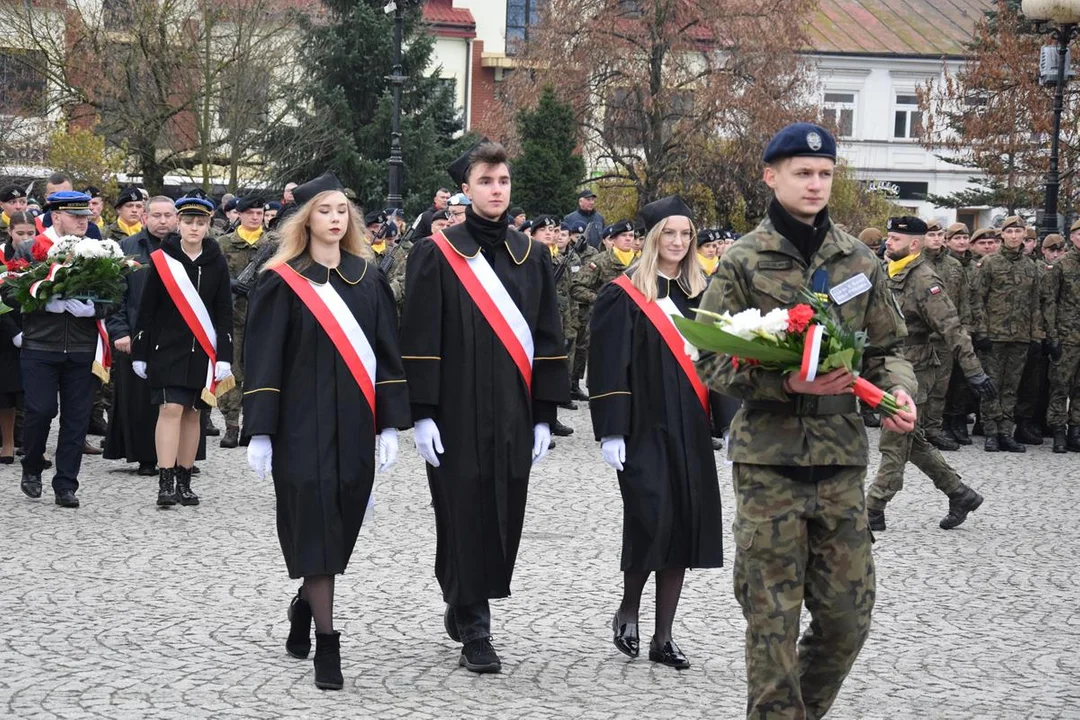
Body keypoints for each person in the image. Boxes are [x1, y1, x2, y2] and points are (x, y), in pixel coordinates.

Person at [694, 123, 917, 719]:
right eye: (803, 172)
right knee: (772, 620)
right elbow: (711, 355)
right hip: (769, 464)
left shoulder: (859, 258)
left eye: (824, 173)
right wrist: (781, 381)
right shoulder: (743, 260)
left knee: (847, 619)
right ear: (772, 177)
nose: (816, 183)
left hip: (841, 463)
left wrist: (897, 391)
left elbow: (889, 347)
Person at [400, 140, 569, 674]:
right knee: (462, 508)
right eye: (486, 182)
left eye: (503, 182)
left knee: (503, 509)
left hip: (513, 410)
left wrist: (545, 411)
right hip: (454, 408)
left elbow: (548, 335)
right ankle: (476, 623)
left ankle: (464, 596)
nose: (497, 190)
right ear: (466, 190)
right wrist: (421, 411)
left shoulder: (533, 255)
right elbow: (419, 335)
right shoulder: (436, 252)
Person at [242, 172, 408, 690]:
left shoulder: (370, 276)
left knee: (341, 521)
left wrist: (390, 424)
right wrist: (261, 430)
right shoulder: (282, 279)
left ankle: (303, 605)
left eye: (342, 210)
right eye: (324, 210)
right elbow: (263, 357)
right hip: (299, 426)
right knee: (314, 522)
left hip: (356, 422)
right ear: (306, 219)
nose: (335, 219)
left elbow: (387, 352)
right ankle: (328, 645)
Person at [588, 195, 723, 670]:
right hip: (643, 426)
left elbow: (716, 361)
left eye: (686, 234)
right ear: (651, 239)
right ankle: (628, 607)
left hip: (689, 426)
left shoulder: (705, 294)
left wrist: (728, 421)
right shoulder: (621, 295)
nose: (679, 242)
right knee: (652, 519)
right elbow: (607, 366)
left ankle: (663, 636)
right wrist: (612, 430)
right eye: (670, 233)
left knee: (684, 525)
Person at [866, 217, 994, 532]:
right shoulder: (889, 272)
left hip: (915, 370)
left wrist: (974, 371)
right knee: (912, 440)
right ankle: (959, 493)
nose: (887, 243)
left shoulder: (924, 280)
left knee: (895, 441)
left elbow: (952, 327)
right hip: (889, 367)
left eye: (894, 239)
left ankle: (871, 509)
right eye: (888, 237)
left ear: (914, 244)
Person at [131, 196, 233, 506]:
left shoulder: (217, 261)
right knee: (169, 409)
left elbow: (224, 311)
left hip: (202, 351)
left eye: (200, 223)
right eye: (188, 222)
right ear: (179, 223)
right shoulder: (164, 260)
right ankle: (165, 482)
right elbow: (145, 309)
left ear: (208, 226)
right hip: (166, 348)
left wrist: (225, 355)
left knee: (193, 414)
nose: (194, 227)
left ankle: (184, 479)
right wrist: (140, 351)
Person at [18, 191, 112, 508]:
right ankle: (32, 466)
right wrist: (43, 301)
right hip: (40, 344)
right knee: (41, 410)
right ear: (56, 216)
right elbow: (9, 292)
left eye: (86, 215)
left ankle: (66, 484)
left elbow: (114, 298)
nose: (83, 221)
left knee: (76, 418)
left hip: (82, 347)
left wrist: (93, 309)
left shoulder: (99, 251)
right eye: (75, 216)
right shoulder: (31, 249)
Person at [105, 197, 196, 476]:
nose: (163, 221)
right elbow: (113, 293)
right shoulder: (126, 248)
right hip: (138, 335)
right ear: (144, 218)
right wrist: (119, 330)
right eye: (156, 215)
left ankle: (183, 459)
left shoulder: (193, 249)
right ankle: (146, 457)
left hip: (181, 338)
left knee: (182, 401)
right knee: (141, 401)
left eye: (169, 215)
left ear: (177, 219)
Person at [970, 215, 1042, 453]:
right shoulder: (989, 263)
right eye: (1009, 232)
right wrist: (981, 331)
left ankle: (1005, 431)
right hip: (994, 335)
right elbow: (978, 299)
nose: (1013, 237)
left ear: (1024, 235)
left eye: (1017, 232)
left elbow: (1035, 304)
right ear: (1002, 235)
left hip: (1020, 336)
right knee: (992, 384)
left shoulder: (1031, 266)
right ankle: (991, 431)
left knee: (1012, 387)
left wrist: (1035, 335)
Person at [218, 196, 270, 448]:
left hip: (264, 318)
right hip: (232, 318)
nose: (255, 217)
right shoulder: (224, 243)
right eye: (250, 212)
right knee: (232, 373)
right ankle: (231, 426)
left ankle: (253, 425)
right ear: (239, 214)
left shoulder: (272, 244)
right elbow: (213, 276)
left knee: (258, 373)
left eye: (259, 212)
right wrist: (230, 284)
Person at [569, 220, 636, 400]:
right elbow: (576, 287)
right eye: (624, 236)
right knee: (604, 361)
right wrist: (600, 299)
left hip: (636, 320)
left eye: (631, 236)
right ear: (612, 240)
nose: (629, 239)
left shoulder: (642, 262)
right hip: (607, 320)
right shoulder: (600, 261)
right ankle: (600, 396)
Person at [920, 219, 970, 451]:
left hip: (946, 336)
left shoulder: (954, 265)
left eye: (940, 234)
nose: (937, 239)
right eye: (931, 235)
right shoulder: (914, 263)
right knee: (919, 386)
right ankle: (914, 429)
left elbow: (963, 300)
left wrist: (964, 329)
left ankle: (933, 429)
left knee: (940, 387)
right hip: (920, 337)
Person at [1042, 228, 1080, 452]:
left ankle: (1076, 429)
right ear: (1073, 237)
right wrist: (1052, 335)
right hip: (1067, 335)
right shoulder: (1062, 265)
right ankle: (1058, 431)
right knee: (1060, 385)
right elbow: (1050, 302)